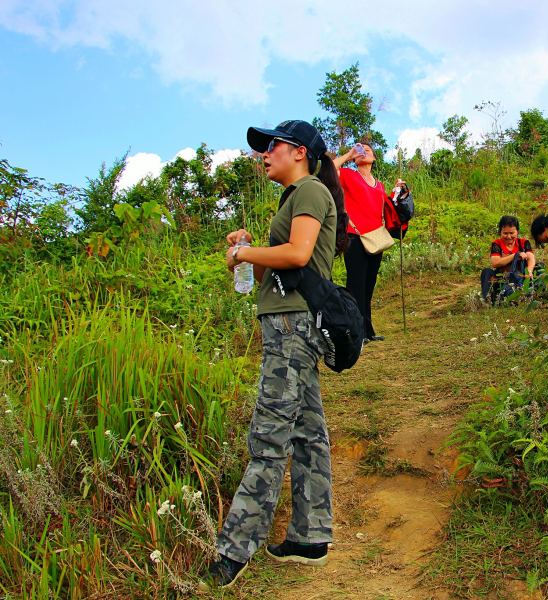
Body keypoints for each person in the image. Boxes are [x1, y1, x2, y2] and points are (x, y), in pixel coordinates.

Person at [200, 120, 350, 591]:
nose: (263, 154)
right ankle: (309, 538)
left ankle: (233, 551)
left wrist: (246, 255)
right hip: (292, 324)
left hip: (290, 327)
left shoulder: (308, 191)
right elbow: (287, 252)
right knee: (307, 432)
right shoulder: (297, 196)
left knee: (269, 437)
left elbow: (300, 254)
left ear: (299, 152)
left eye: (272, 147)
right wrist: (253, 247)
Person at [333, 143, 406, 343]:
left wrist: (397, 194)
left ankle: (368, 331)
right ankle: (355, 333)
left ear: (374, 158)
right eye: (359, 149)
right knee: (355, 285)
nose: (362, 151)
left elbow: (386, 208)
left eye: (367, 149)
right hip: (354, 236)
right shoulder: (348, 175)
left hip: (375, 238)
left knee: (368, 286)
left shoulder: (379, 185)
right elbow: (329, 170)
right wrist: (348, 155)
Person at [480, 215, 536, 304]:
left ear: (517, 232)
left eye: (512, 233)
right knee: (487, 272)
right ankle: (486, 300)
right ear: (500, 232)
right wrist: (515, 255)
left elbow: (531, 258)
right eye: (505, 233)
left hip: (522, 276)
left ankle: (540, 295)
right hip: (503, 278)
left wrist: (529, 270)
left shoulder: (523, 242)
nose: (509, 236)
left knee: (540, 267)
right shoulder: (497, 244)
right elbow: (495, 263)